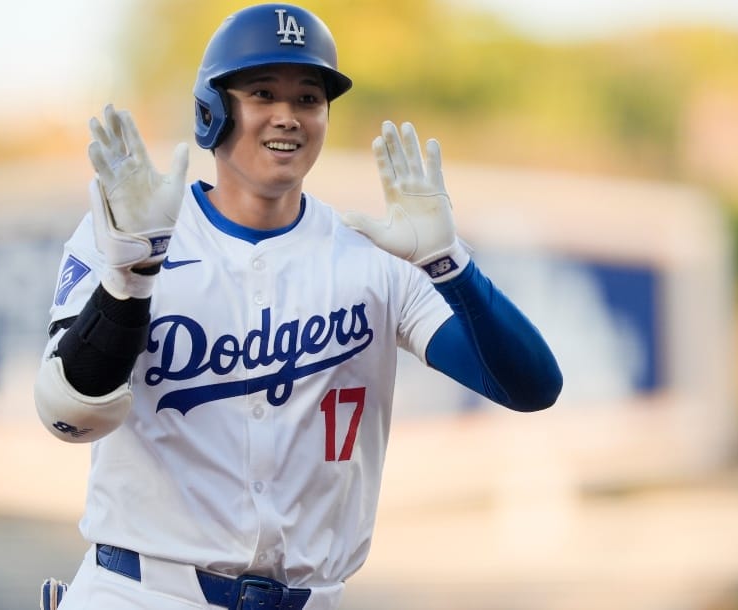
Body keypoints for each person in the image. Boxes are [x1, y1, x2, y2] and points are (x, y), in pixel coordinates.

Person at [33, 3, 563, 609]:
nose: (287, 117)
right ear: (214, 111)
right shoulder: (135, 232)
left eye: (309, 98)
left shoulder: (375, 257)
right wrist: (131, 277)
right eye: (262, 93)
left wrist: (451, 265)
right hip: (142, 593)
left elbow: (532, 387)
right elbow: (69, 413)